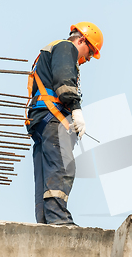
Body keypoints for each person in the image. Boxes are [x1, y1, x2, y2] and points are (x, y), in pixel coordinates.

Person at [26, 22, 103, 225]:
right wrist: (76, 108)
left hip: (41, 120)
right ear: (81, 40)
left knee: (46, 172)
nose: (86, 60)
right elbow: (64, 81)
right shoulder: (65, 47)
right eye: (89, 53)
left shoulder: (50, 50)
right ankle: (59, 219)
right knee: (62, 167)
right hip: (54, 119)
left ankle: (45, 220)